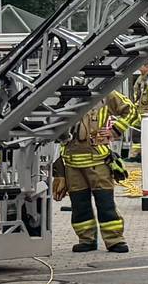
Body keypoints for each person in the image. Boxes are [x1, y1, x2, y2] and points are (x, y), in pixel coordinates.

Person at [53, 89, 135, 253]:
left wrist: (114, 131)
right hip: (72, 164)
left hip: (98, 162)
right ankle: (86, 239)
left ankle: (114, 240)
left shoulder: (106, 93)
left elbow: (131, 111)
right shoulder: (63, 93)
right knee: (79, 205)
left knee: (105, 203)